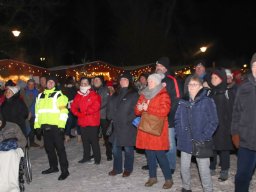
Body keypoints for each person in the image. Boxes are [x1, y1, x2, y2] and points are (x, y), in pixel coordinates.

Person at [175, 75, 218, 192]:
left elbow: (214, 121)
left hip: (201, 141)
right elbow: (177, 119)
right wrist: (179, 134)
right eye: (190, 84)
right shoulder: (183, 102)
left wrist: (204, 136)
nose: (191, 87)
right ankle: (186, 187)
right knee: (184, 167)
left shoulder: (207, 101)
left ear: (200, 87)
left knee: (203, 169)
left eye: (194, 84)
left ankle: (208, 189)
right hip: (185, 140)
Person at [143, 57, 181, 175]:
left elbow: (177, 99)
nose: (157, 68)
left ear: (165, 68)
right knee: (152, 141)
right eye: (157, 66)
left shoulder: (171, 80)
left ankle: (170, 165)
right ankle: (152, 163)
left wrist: (169, 115)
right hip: (153, 117)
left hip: (167, 117)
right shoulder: (153, 80)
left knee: (169, 142)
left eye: (159, 66)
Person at [135, 73, 173, 189]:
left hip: (157, 130)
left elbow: (164, 111)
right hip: (146, 129)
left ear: (157, 83)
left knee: (160, 155)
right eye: (148, 81)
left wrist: (148, 108)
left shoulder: (163, 94)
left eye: (151, 81)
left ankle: (168, 179)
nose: (149, 82)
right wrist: (139, 108)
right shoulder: (144, 94)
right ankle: (152, 177)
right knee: (149, 155)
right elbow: (136, 111)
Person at [34, 76, 69, 180]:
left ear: (55, 84)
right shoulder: (40, 96)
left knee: (60, 149)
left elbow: (64, 111)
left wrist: (62, 126)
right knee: (49, 149)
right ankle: (53, 167)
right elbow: (38, 113)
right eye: (48, 82)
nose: (50, 83)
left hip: (56, 127)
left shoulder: (59, 95)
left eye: (52, 82)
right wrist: (37, 127)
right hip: (45, 127)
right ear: (45, 84)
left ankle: (65, 171)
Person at [231, 52, 256, 192]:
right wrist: (235, 133)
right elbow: (236, 113)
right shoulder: (244, 87)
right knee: (242, 176)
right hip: (246, 141)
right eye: (254, 65)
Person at [107, 72, 139, 177]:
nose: (122, 81)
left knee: (128, 149)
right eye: (121, 80)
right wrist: (110, 116)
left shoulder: (134, 94)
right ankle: (117, 168)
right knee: (115, 149)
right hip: (116, 126)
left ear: (129, 81)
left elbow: (137, 111)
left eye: (125, 79)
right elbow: (111, 107)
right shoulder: (116, 94)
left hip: (128, 127)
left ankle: (128, 168)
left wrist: (128, 120)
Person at [207, 69, 235, 181]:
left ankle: (224, 169)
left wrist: (231, 127)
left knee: (224, 149)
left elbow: (232, 111)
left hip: (224, 126)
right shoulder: (210, 92)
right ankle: (212, 167)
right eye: (212, 77)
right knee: (212, 148)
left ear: (222, 79)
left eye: (215, 78)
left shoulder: (228, 93)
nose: (212, 79)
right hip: (212, 125)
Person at [71, 77, 101, 164]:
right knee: (85, 141)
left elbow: (96, 106)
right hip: (82, 122)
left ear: (89, 84)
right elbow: (73, 107)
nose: (83, 85)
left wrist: (84, 113)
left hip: (92, 122)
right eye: (82, 83)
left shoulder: (94, 95)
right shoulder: (78, 95)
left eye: (85, 83)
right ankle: (86, 157)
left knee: (94, 141)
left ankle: (97, 158)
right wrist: (78, 113)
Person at [0, 111, 27, 192]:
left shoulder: (13, 126)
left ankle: (12, 186)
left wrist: (14, 144)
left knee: (11, 154)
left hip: (15, 149)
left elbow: (24, 141)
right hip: (1, 150)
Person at [93, 76, 112, 161]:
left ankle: (109, 153)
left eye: (98, 80)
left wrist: (93, 108)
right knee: (94, 136)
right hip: (93, 116)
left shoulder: (105, 89)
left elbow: (105, 102)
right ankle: (95, 153)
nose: (96, 81)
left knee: (106, 135)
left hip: (103, 115)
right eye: (94, 80)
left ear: (101, 81)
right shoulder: (91, 90)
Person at [20, 79, 40, 147]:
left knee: (33, 128)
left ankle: (32, 141)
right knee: (27, 128)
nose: (31, 86)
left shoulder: (37, 91)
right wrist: (28, 112)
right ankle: (26, 143)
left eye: (32, 84)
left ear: (34, 85)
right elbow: (24, 104)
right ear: (27, 85)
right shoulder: (24, 92)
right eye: (29, 84)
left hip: (35, 113)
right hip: (27, 114)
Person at [62, 76, 77, 142]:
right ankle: (67, 135)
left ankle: (68, 134)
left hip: (68, 106)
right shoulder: (70, 88)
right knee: (69, 121)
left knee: (69, 121)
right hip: (68, 106)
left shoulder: (65, 88)